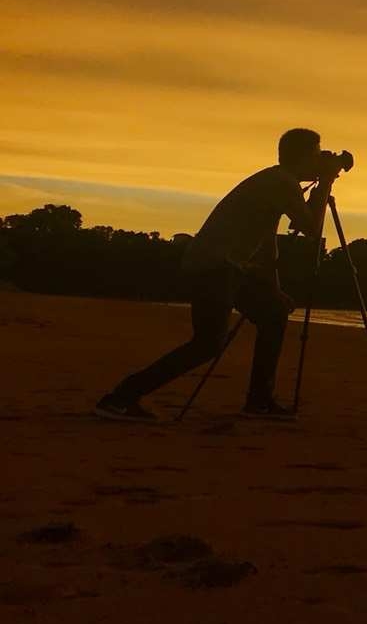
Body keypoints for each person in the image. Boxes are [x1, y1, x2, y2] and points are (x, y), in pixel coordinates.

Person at [95, 128, 339, 422]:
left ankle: (259, 401)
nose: (320, 160)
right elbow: (311, 229)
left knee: (274, 313)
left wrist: (273, 289)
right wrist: (325, 183)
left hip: (229, 267)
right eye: (316, 154)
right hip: (213, 267)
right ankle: (119, 398)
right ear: (303, 156)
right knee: (207, 344)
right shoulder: (281, 183)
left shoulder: (275, 181)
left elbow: (266, 248)